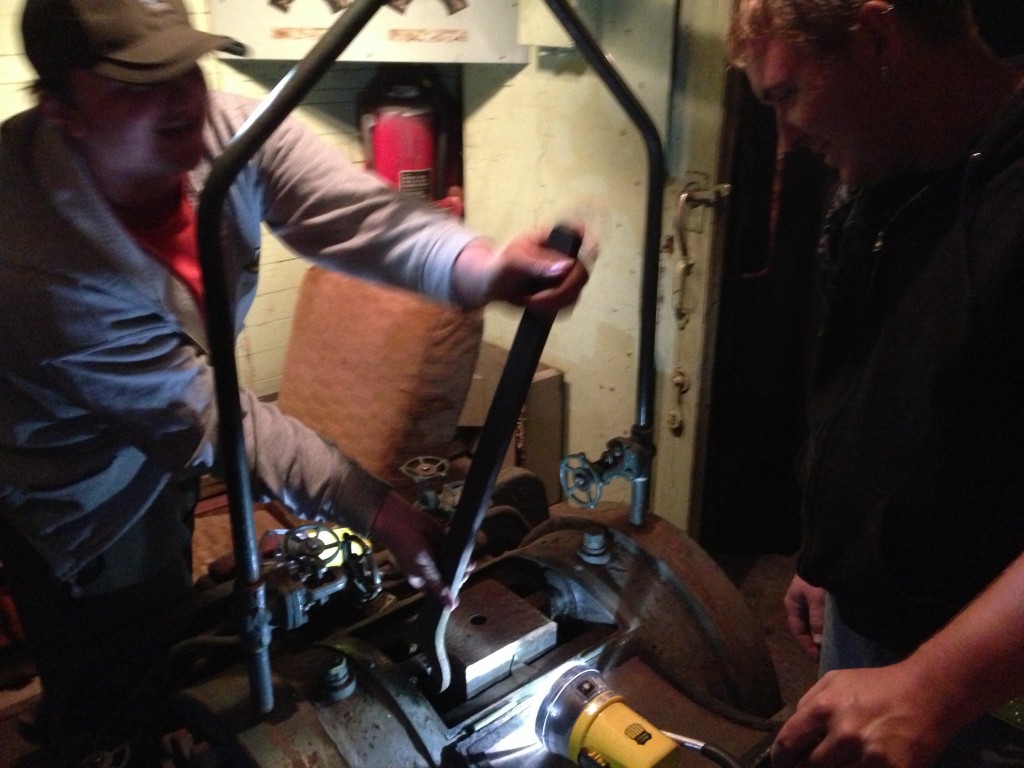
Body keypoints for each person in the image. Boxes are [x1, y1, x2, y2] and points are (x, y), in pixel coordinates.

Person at [0, 0, 589, 762]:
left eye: (185, 67)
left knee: (175, 619)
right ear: (62, 108)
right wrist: (377, 511)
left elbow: (353, 214)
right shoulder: (31, 259)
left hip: (165, 444)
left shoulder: (224, 130)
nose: (180, 98)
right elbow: (210, 415)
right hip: (74, 485)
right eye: (136, 84)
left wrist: (482, 266)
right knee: (121, 684)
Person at [726, 2, 1024, 766]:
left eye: (787, 96)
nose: (785, 135)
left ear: (878, 40)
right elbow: (884, 394)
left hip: (985, 686)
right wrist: (831, 554)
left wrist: (935, 687)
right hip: (874, 638)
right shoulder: (888, 181)